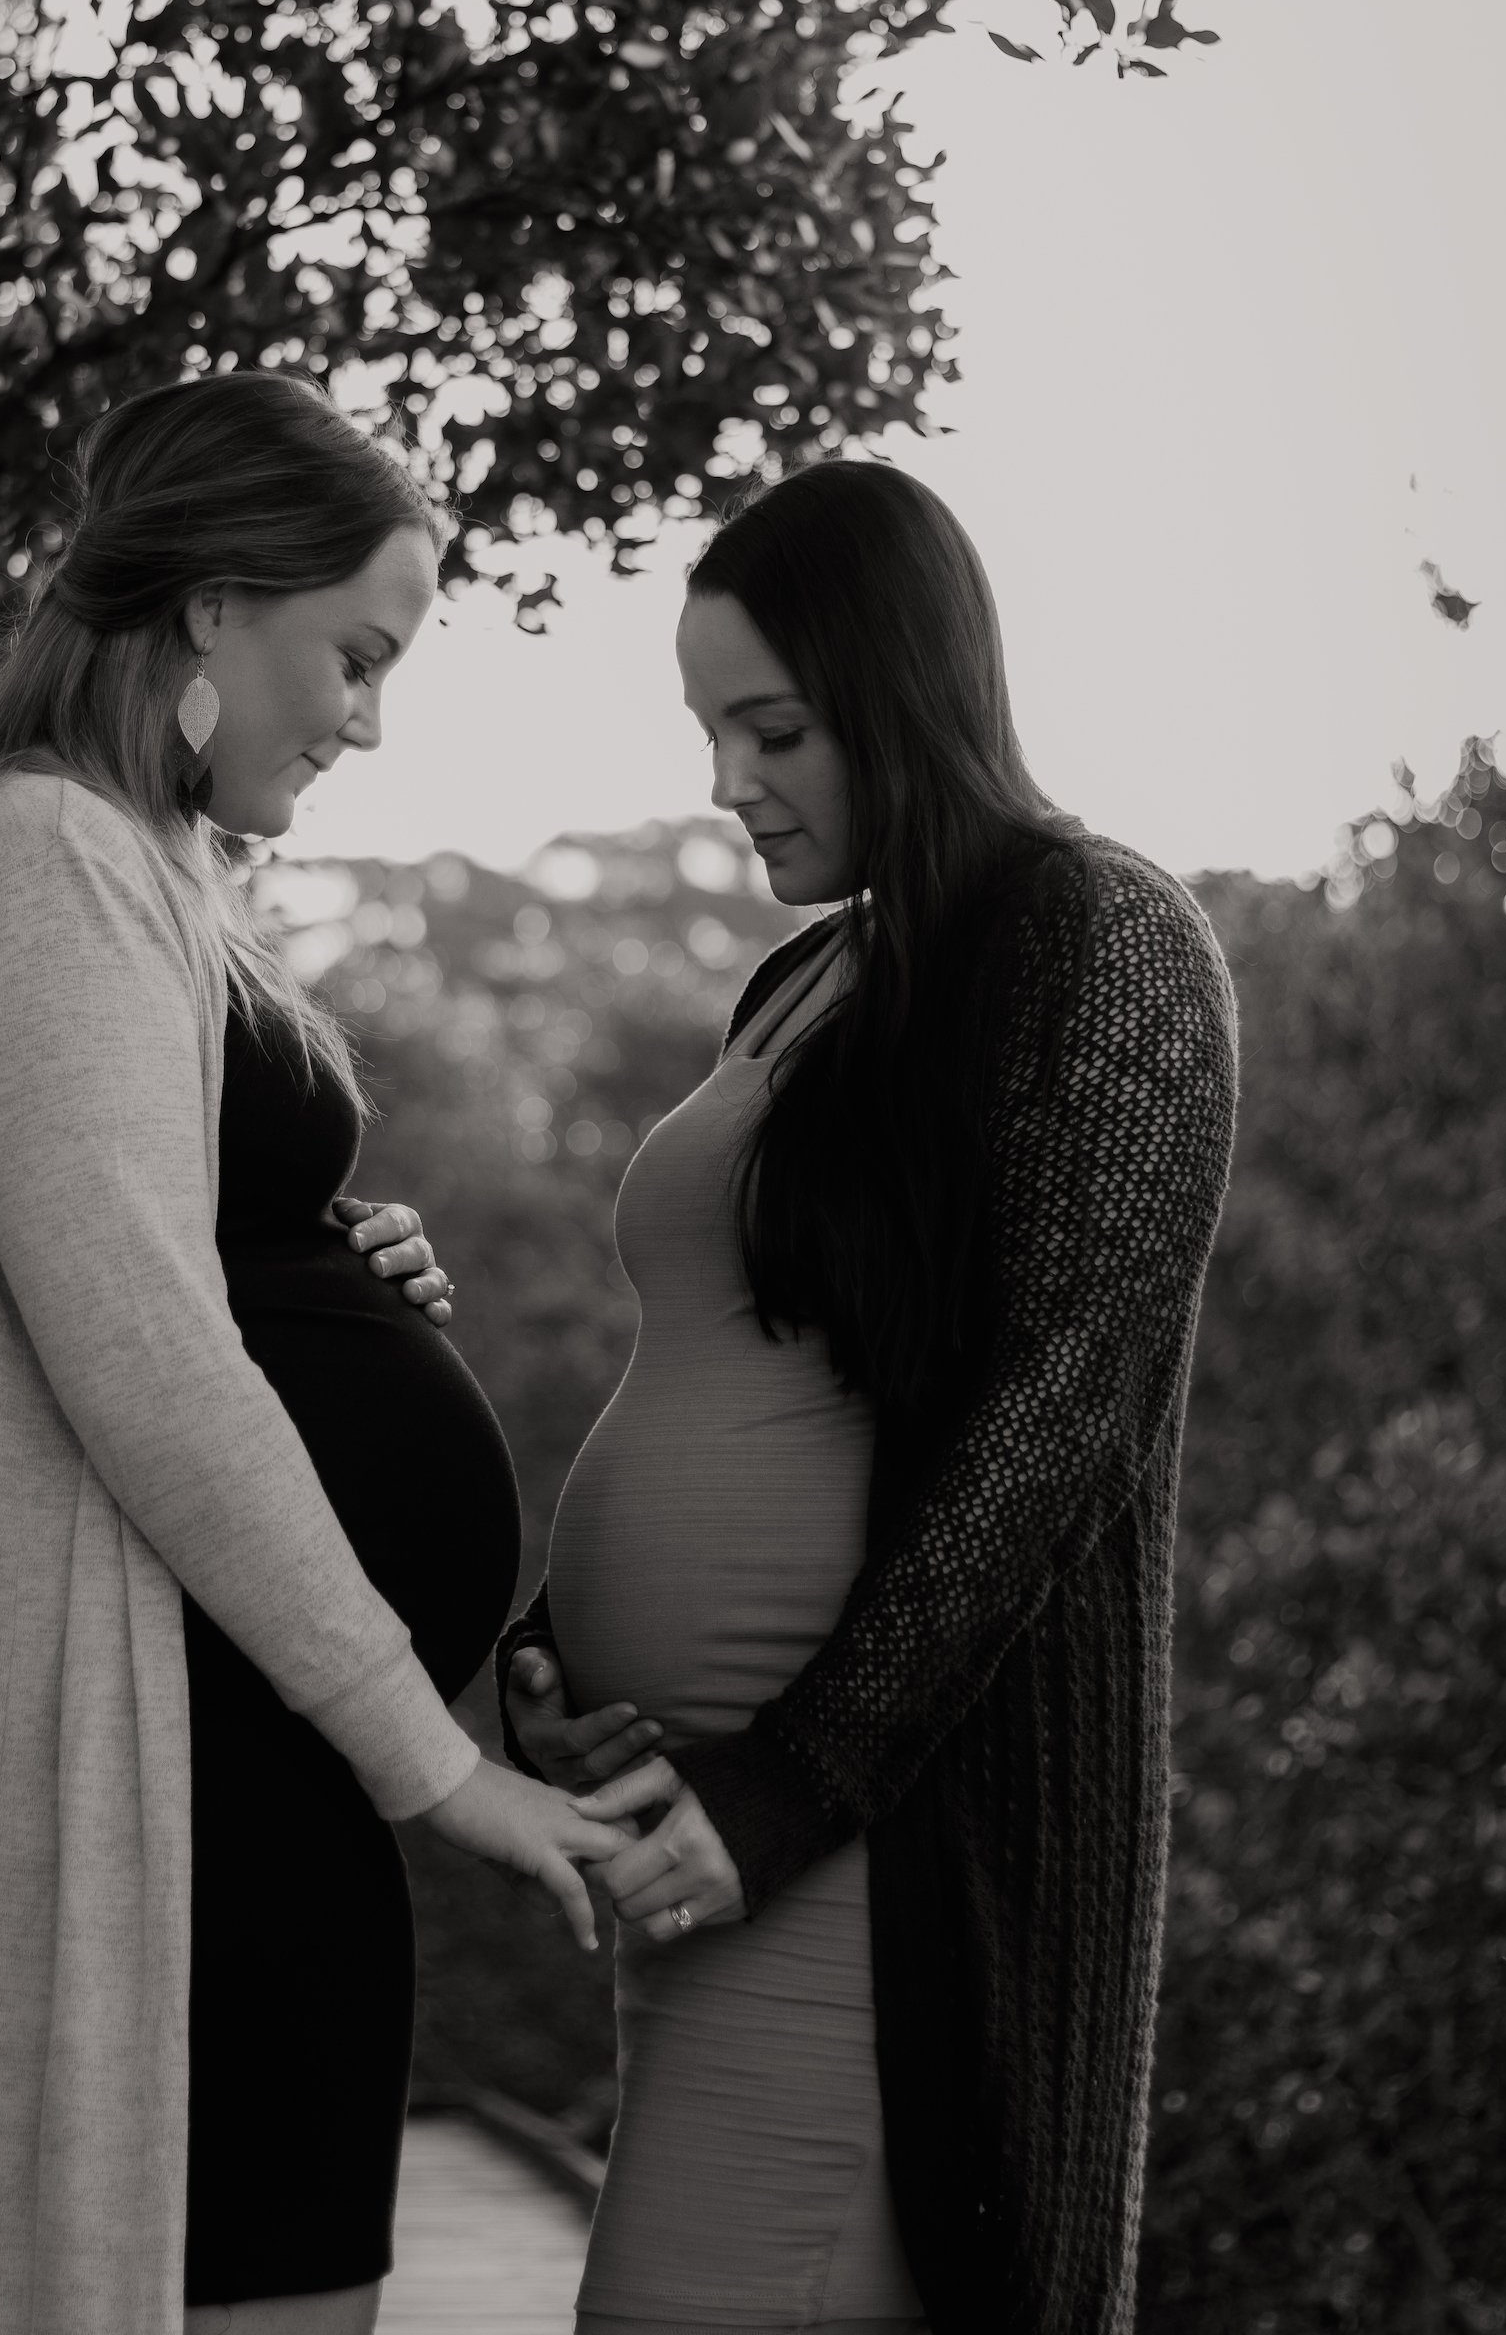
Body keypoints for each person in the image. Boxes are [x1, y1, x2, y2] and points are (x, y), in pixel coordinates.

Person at [0, 370, 622, 2335]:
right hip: (174, 1779)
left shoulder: (145, 866)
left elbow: (152, 1251)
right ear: (216, 601)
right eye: (356, 656)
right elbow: (141, 1355)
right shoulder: (40, 856)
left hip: (251, 1762)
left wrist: (317, 1256)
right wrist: (438, 1768)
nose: (366, 720)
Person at [501, 458, 1238, 2335]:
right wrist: (552, 1650)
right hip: (706, 1847)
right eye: (709, 732)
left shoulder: (1103, 938)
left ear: (903, 694)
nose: (728, 782)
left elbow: (1062, 1412)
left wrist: (793, 1779)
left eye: (775, 730)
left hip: (873, 1852)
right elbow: (744, 1361)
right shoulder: (807, 978)